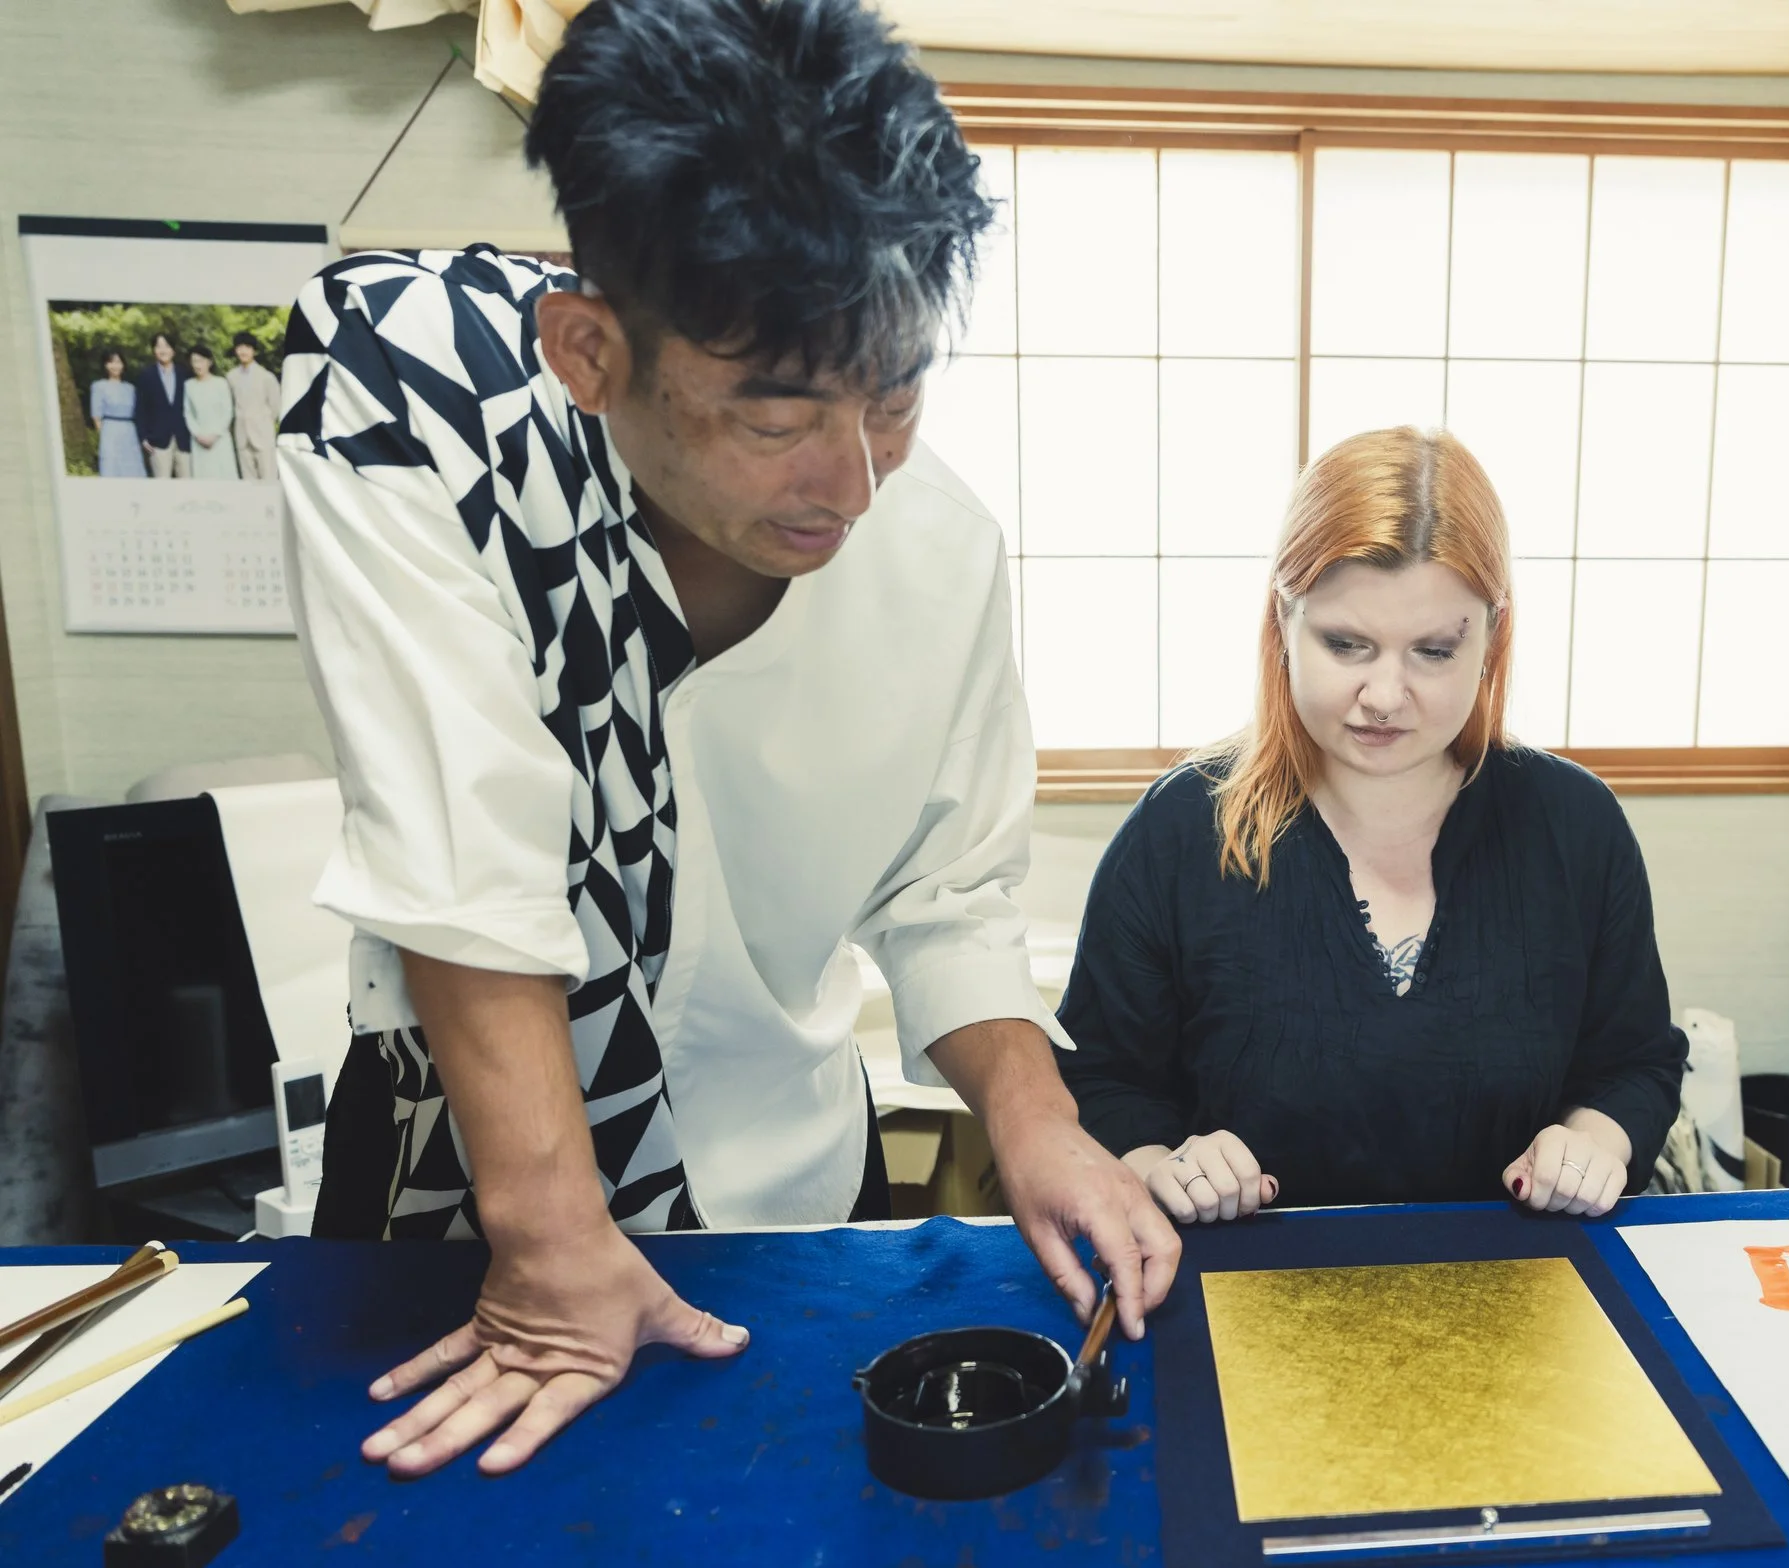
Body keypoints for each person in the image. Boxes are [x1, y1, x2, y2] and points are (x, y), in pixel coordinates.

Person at [274, 0, 1176, 1481]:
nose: (856, 482)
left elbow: (945, 898)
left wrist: (1040, 1119)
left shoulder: (942, 551)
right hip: (476, 1223)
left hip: (781, 1211)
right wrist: (557, 1252)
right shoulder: (421, 403)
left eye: (895, 394)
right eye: (779, 419)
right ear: (589, 350)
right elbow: (463, 846)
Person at [1057, 427, 1688, 1225]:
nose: (1385, 695)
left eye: (1432, 651)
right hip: (1242, 1296)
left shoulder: (1574, 825)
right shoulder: (1183, 829)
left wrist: (1593, 1142)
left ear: (1491, 635)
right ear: (1283, 618)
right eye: (1347, 644)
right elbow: (1101, 1079)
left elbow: (1633, 1062)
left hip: (1526, 1295)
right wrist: (1164, 1168)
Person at [130, 331, 188, 478]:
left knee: (188, 485)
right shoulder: (146, 376)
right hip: (157, 440)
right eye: (158, 346)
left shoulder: (185, 374)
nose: (163, 350)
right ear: (154, 351)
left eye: (166, 346)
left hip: (184, 438)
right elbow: (140, 409)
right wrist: (143, 437)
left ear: (173, 350)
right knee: (162, 487)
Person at [225, 332, 282, 480]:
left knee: (268, 479)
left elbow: (275, 407)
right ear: (235, 350)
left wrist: (263, 422)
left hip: (263, 435)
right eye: (240, 347)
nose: (243, 351)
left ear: (254, 351)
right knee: (247, 482)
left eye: (247, 347)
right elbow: (229, 405)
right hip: (242, 436)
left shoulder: (266, 377)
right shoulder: (231, 377)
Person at [183, 345, 239, 480]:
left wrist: (215, 435)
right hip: (199, 440)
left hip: (220, 438)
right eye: (194, 361)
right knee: (203, 478)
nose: (197, 365)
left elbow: (228, 411)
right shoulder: (189, 385)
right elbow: (188, 412)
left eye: (201, 360)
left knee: (224, 476)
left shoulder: (221, 383)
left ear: (210, 362)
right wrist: (198, 434)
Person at [88, 348, 143, 478]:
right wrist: (103, 434)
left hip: (129, 430)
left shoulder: (130, 388)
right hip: (110, 430)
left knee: (132, 466)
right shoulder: (99, 386)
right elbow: (96, 415)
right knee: (111, 465)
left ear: (123, 365)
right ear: (105, 365)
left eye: (118, 362)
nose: (115, 366)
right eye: (111, 362)